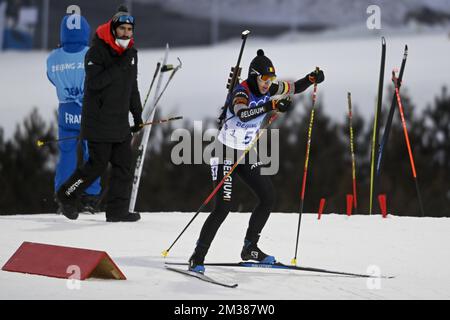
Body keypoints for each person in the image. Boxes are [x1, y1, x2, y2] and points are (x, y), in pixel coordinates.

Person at [188, 49, 325, 273]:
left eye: (270, 79)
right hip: (224, 152)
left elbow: (294, 87)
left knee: (268, 196)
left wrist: (310, 79)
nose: (267, 84)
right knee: (223, 207)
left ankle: (250, 248)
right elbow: (243, 113)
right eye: (263, 79)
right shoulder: (241, 92)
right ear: (254, 76)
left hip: (245, 152)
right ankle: (197, 256)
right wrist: (271, 106)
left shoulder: (269, 88)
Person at [56, 5, 143, 222]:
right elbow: (95, 83)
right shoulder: (96, 52)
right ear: (113, 29)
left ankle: (117, 211)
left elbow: (132, 87)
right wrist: (119, 65)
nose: (126, 34)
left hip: (120, 122)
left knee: (124, 166)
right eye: (122, 29)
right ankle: (66, 194)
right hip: (98, 122)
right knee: (96, 166)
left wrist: (138, 115)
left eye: (129, 30)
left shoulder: (131, 54)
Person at [47, 13, 102, 214]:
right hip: (88, 109)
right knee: (92, 154)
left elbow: (51, 78)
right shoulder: (91, 53)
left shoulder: (53, 58)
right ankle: (90, 197)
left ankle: (63, 196)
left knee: (67, 154)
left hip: (66, 109)